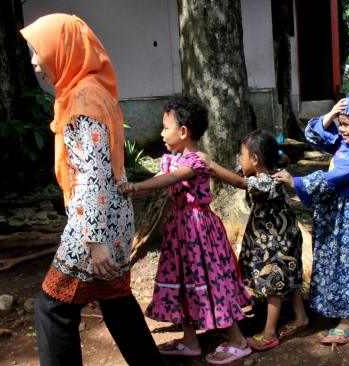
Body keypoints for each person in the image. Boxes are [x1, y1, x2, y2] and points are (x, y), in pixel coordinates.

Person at [20, 14, 163, 365]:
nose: (35, 62)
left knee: (52, 308)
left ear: (62, 49)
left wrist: (94, 243)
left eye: (39, 51)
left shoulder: (84, 101)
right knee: (115, 302)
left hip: (95, 227)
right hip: (111, 220)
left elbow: (94, 175)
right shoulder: (90, 92)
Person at [118, 96, 253, 364]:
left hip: (199, 231)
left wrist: (137, 187)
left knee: (208, 281)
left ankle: (238, 340)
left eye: (165, 127)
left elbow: (171, 179)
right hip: (180, 230)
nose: (161, 133)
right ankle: (190, 340)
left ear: (183, 132)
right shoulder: (171, 159)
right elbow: (164, 176)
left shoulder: (195, 160)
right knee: (183, 282)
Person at [273, 94, 349, 344]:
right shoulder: (344, 144)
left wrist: (296, 182)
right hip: (335, 214)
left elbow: (332, 179)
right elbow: (313, 134)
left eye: (347, 124)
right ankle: (343, 301)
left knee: (347, 264)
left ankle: (348, 322)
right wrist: (331, 114)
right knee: (330, 258)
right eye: (340, 124)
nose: (341, 129)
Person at [200, 130, 308, 351]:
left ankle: (269, 332)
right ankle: (301, 317)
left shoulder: (268, 181)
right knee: (287, 279)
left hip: (279, 241)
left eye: (242, 155)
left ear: (256, 159)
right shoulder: (262, 173)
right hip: (273, 237)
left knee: (274, 283)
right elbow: (238, 177)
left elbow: (239, 183)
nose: (240, 160)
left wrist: (211, 165)